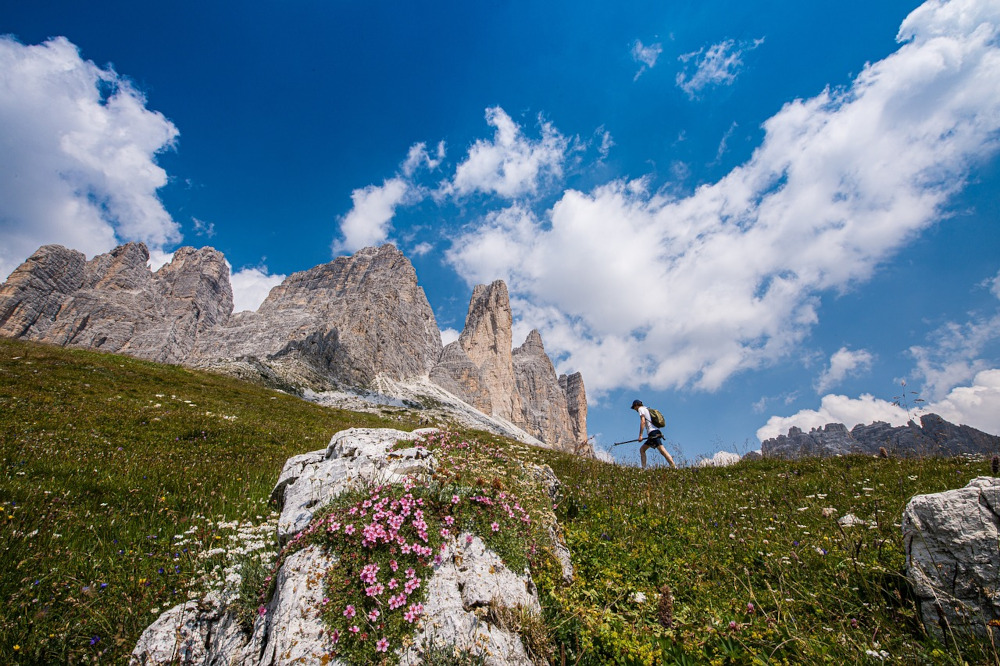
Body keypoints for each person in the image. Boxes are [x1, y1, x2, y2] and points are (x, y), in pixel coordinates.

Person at [631, 399, 677, 469]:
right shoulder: (646, 409)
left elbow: (643, 421)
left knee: (662, 450)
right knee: (642, 450)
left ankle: (674, 467)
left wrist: (640, 435)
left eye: (634, 407)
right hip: (654, 432)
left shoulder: (640, 409)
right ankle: (643, 469)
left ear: (636, 405)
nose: (635, 409)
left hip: (653, 433)